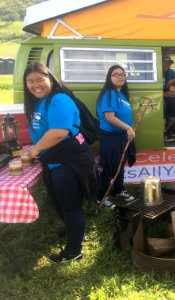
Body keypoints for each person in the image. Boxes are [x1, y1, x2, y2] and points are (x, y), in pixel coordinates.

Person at [23, 62, 98, 263]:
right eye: (30, 81)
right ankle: (74, 232)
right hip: (55, 161)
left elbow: (58, 132)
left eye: (40, 79)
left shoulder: (59, 100)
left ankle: (74, 251)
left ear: (51, 79)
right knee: (63, 204)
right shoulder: (40, 101)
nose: (35, 84)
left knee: (71, 206)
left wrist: (35, 150)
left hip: (68, 161)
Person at [96, 65, 136, 209]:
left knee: (120, 164)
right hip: (111, 137)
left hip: (121, 136)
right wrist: (128, 128)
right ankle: (101, 197)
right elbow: (109, 117)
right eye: (116, 74)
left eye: (122, 74)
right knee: (110, 166)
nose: (120, 76)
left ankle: (119, 190)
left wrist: (127, 130)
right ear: (109, 77)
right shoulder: (109, 93)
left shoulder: (121, 94)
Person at [163, 55, 175, 142]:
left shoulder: (171, 72)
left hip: (167, 94)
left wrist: (172, 81)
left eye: (169, 63)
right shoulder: (158, 72)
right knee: (164, 105)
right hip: (159, 94)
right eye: (166, 63)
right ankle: (164, 132)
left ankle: (169, 128)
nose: (168, 65)